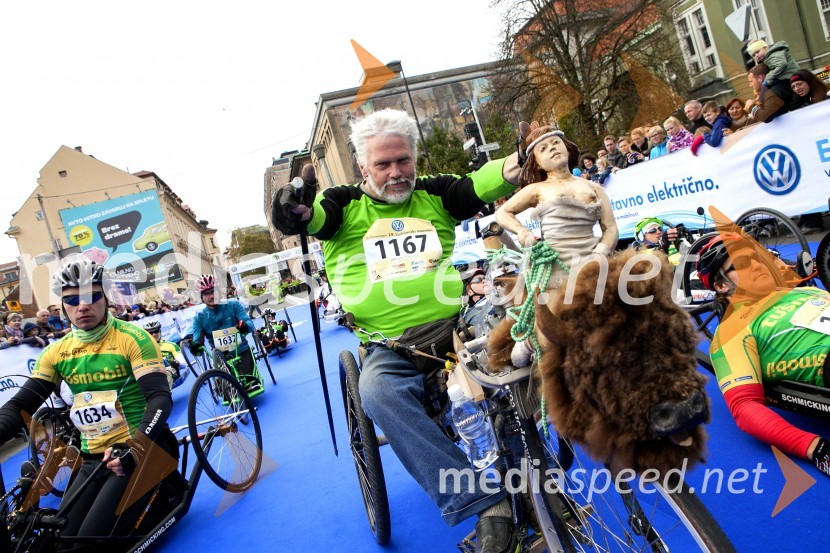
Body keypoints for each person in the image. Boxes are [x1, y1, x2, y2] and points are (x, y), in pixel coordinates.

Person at [272, 108, 524, 553]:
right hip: (391, 347)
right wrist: (293, 210)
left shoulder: (435, 192)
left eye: (403, 160)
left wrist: (520, 160)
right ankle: (484, 503)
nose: (395, 172)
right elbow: (314, 217)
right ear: (363, 167)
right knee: (376, 394)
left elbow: (480, 183)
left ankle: (535, 475)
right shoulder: (343, 204)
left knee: (523, 340)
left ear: (414, 158)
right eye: (383, 164)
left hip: (456, 328)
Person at [0, 259, 179, 550]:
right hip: (92, 456)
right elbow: (20, 405)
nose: (82, 306)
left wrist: (136, 447)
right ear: (62, 305)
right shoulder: (57, 352)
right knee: (59, 541)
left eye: (92, 296)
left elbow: (159, 398)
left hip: (140, 449)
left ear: (106, 298)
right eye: (72, 300)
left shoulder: (133, 338)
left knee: (90, 543)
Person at [696, 234, 830, 478]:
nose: (757, 265)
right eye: (741, 264)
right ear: (721, 285)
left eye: (756, 258)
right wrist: (815, 447)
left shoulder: (804, 292)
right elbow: (745, 406)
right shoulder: (731, 330)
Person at [188, 274, 259, 392]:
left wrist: (244, 326)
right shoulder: (199, 318)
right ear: (201, 297)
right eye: (206, 293)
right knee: (226, 390)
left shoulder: (233, 305)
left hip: (241, 350)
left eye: (213, 291)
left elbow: (249, 324)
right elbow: (197, 340)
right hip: (221, 358)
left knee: (248, 382)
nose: (211, 296)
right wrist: (196, 346)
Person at [144, 320, 187, 389]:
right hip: (152, 372)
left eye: (156, 331)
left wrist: (176, 363)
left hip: (170, 370)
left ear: (160, 331)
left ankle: (166, 395)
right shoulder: (143, 349)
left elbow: (183, 364)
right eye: (150, 333)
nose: (154, 334)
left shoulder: (171, 345)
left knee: (165, 372)